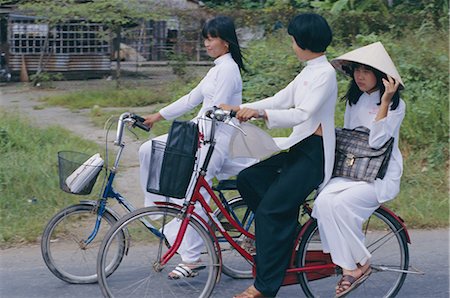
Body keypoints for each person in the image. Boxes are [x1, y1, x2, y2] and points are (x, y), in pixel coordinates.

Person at [222, 13, 337, 298]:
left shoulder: (325, 73)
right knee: (248, 178)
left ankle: (264, 287)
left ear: (304, 41)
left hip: (315, 155)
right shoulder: (309, 71)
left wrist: (260, 113)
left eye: (293, 39)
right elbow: (280, 99)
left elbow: (302, 113)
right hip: (300, 147)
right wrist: (240, 108)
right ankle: (284, 233)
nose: (291, 43)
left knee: (271, 211)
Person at [138, 15, 255, 279]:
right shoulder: (216, 69)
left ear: (226, 42)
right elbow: (192, 98)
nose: (206, 43)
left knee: (191, 194)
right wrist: (157, 116)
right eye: (206, 38)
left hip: (212, 139)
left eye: (211, 38)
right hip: (197, 132)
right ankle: (160, 208)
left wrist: (197, 136)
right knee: (148, 150)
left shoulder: (228, 70)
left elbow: (218, 112)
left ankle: (191, 258)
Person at [312, 42, 406, 298]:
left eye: (366, 70)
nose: (359, 76)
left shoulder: (396, 105)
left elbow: (376, 142)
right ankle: (355, 264)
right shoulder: (355, 100)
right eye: (356, 70)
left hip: (379, 175)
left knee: (340, 205)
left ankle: (353, 267)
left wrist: (385, 100)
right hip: (354, 171)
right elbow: (351, 140)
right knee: (323, 203)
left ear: (381, 75)